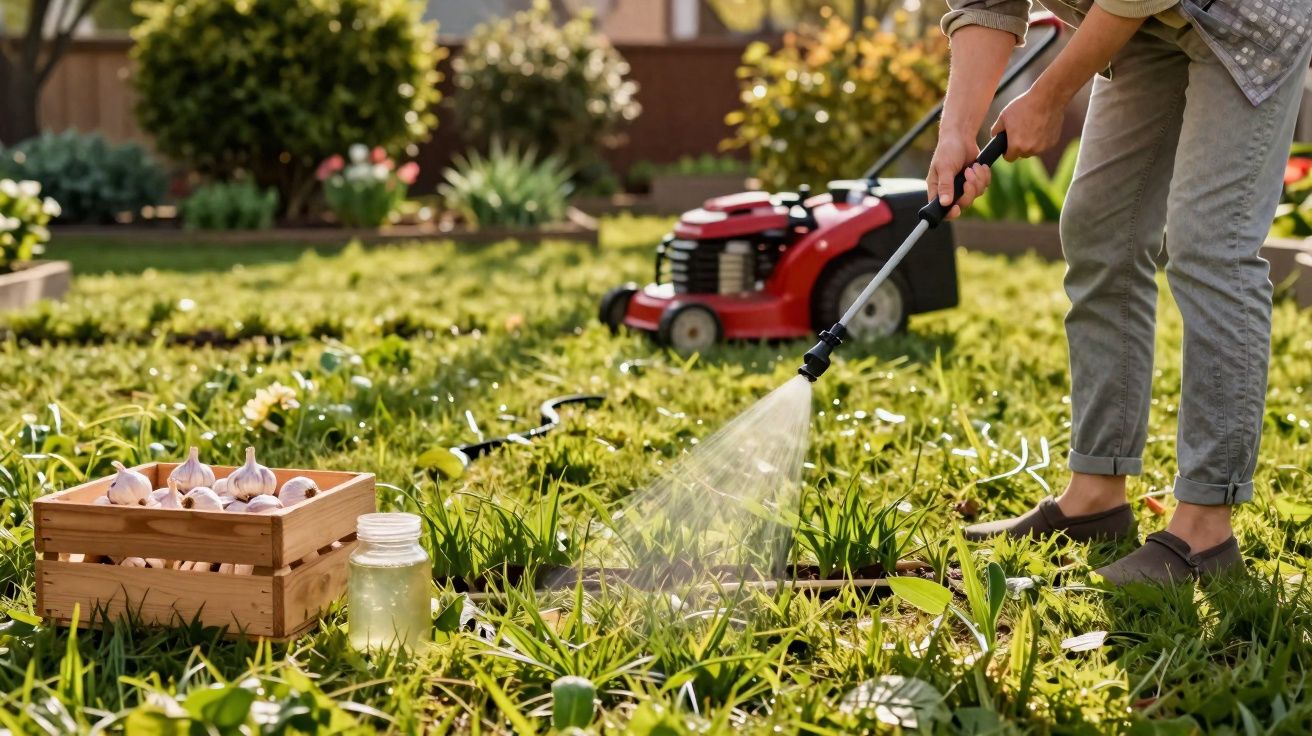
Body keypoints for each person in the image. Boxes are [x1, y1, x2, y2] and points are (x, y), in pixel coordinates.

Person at [932, 0, 1312, 584]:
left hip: (1248, 18)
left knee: (1210, 243)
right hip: (1144, 23)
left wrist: (1050, 95)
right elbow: (985, 4)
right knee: (1102, 229)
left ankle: (1205, 532)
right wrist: (956, 131)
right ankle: (1096, 496)